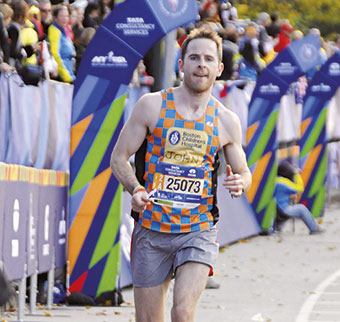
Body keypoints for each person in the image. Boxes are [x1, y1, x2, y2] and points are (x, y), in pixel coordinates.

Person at [111, 25, 252, 322]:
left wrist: (241, 182)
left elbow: (243, 172)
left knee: (183, 311)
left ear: (219, 67)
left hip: (198, 229)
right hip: (152, 229)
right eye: (194, 57)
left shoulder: (227, 121)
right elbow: (119, 158)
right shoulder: (151, 106)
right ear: (181, 63)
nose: (201, 64)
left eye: (208, 59)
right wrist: (135, 189)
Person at [274, 160, 323, 234]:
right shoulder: (283, 181)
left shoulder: (276, 180)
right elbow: (300, 188)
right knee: (301, 208)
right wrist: (296, 174)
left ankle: (278, 227)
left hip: (276, 209)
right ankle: (314, 229)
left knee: (290, 205)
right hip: (282, 209)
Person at [48, 5, 76, 83]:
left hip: (70, 71)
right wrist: (66, 76)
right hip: (63, 76)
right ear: (55, 18)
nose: (65, 19)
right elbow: (55, 54)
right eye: (61, 16)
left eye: (66, 16)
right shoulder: (54, 31)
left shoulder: (65, 30)